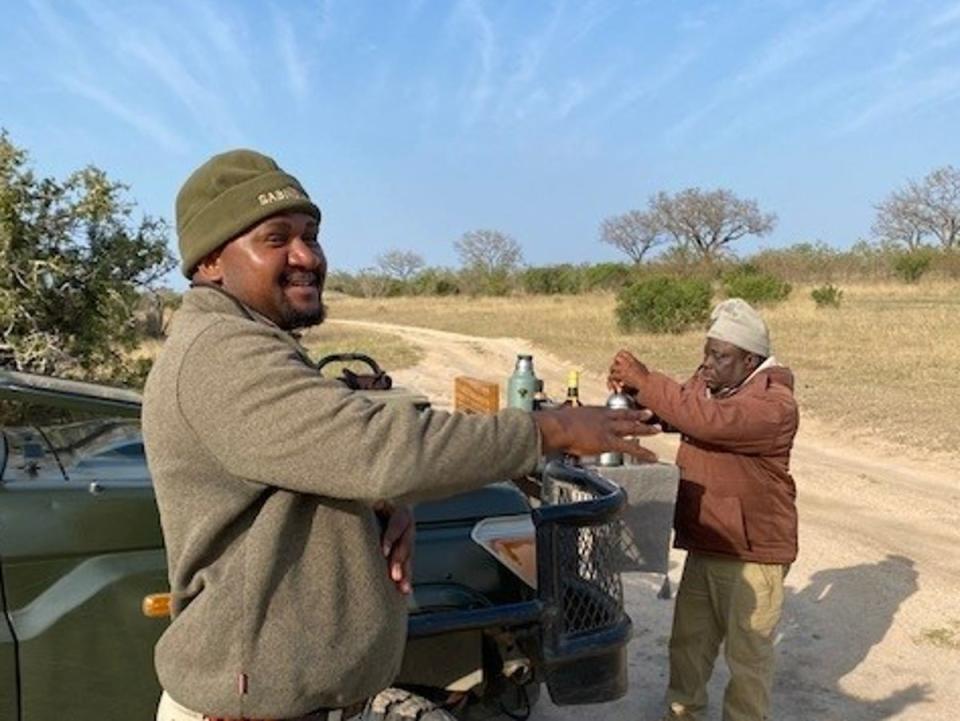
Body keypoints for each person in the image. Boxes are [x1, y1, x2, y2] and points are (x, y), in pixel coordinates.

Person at [142, 149, 658, 721]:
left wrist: (382, 501)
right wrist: (551, 427)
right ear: (211, 261)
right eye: (276, 239)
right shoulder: (220, 352)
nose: (306, 257)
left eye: (311, 235)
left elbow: (324, 455)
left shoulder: (249, 342)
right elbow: (378, 450)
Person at [607, 298, 799, 721]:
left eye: (720, 355)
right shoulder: (716, 385)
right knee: (688, 645)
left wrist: (647, 378)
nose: (707, 363)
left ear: (750, 359)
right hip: (709, 540)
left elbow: (709, 421)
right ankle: (683, 714)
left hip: (752, 552)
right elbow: (678, 413)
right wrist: (635, 395)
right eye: (706, 352)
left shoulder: (774, 405)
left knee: (747, 659)